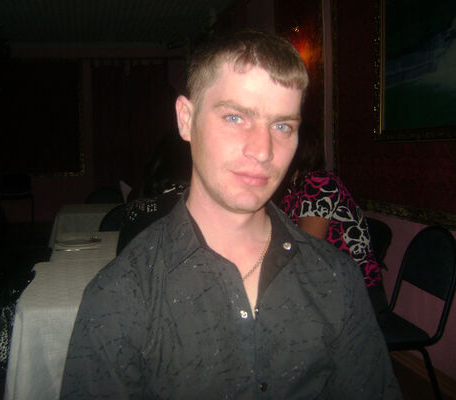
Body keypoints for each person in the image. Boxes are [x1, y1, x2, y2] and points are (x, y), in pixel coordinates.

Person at [60, 29, 401, 399]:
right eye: (236, 117)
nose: (263, 150)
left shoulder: (335, 277)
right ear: (186, 119)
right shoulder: (120, 295)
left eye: (282, 125)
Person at [277, 124, 389, 320]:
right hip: (323, 287)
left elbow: (307, 250)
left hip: (355, 295)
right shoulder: (291, 189)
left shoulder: (318, 184)